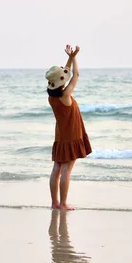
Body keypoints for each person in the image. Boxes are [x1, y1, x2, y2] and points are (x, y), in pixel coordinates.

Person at [46, 45, 92, 210]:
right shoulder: (66, 96)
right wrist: (75, 58)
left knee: (57, 168)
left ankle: (54, 203)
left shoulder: (52, 97)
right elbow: (76, 74)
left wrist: (70, 58)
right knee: (66, 169)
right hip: (71, 135)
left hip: (60, 135)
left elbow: (65, 74)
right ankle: (63, 203)